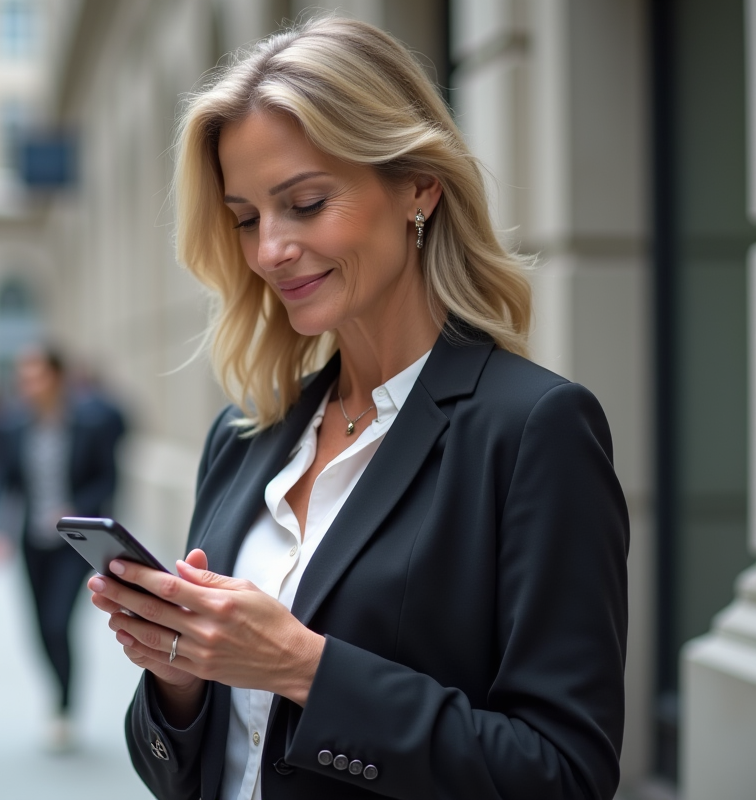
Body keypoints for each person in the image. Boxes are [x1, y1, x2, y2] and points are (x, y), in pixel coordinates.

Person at [87, 17, 628, 800]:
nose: (269, 250)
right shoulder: (244, 437)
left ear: (419, 186)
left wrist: (304, 668)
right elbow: (186, 773)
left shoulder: (534, 431)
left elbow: (564, 775)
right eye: (246, 218)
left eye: (305, 203)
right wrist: (181, 675)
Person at [0, 347, 126, 751]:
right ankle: (58, 691)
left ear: (57, 378)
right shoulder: (14, 427)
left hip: (73, 543)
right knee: (38, 630)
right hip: (33, 543)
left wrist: (75, 508)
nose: (28, 385)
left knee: (57, 622)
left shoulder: (89, 424)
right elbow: (2, 481)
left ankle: (64, 707)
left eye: (36, 376)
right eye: (23, 378)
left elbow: (108, 480)